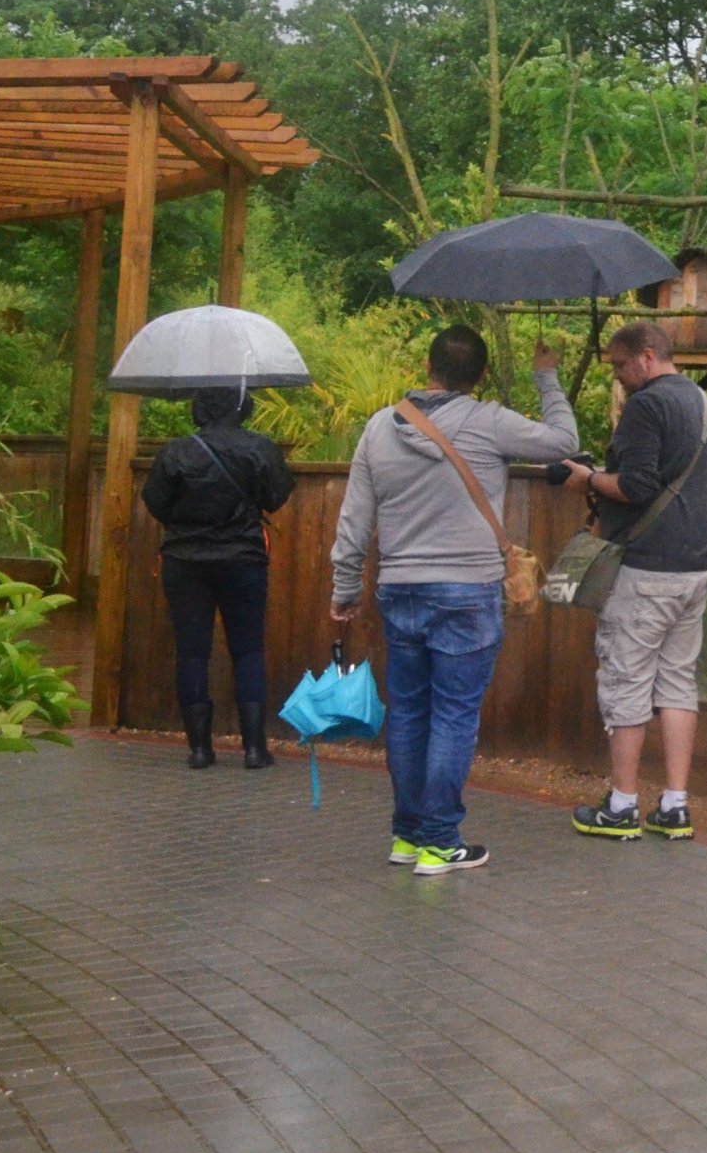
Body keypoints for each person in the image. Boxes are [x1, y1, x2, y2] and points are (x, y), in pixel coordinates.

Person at [332, 326, 578, 876]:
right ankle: (441, 841)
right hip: (466, 590)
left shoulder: (379, 427)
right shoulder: (489, 421)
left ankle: (408, 834)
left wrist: (344, 590)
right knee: (453, 714)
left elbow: (354, 521)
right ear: (482, 376)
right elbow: (564, 442)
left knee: (410, 710)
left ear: (427, 367)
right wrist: (546, 377)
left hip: (400, 587)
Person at [560, 321, 707, 842]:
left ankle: (622, 806)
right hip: (698, 562)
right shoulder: (702, 402)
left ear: (647, 357)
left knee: (626, 677)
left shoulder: (647, 406)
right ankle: (675, 805)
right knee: (677, 680)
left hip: (649, 565)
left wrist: (587, 479)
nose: (619, 377)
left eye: (620, 366)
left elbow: (635, 486)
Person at [142, 384, 297, 770]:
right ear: (243, 406)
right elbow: (278, 496)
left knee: (192, 652)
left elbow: (155, 501)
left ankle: (198, 749)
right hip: (243, 560)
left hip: (185, 561)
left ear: (199, 408)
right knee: (247, 650)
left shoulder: (176, 451)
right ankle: (255, 749)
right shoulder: (259, 448)